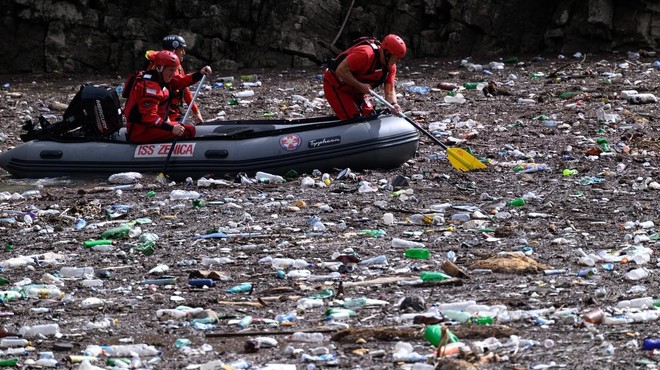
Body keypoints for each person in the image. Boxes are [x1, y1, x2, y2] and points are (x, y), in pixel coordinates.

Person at [124, 50, 212, 144]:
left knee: (185, 125)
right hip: (142, 132)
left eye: (174, 70)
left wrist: (200, 73)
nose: (173, 73)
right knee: (189, 130)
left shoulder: (162, 78)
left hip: (153, 126)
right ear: (160, 68)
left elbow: (181, 81)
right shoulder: (150, 87)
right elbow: (149, 117)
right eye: (171, 70)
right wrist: (171, 128)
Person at [323, 34, 406, 120]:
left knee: (369, 115)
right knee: (353, 117)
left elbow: (389, 89)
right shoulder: (365, 53)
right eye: (396, 58)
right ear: (387, 53)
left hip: (358, 90)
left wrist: (393, 104)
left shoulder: (390, 67)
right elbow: (340, 70)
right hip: (336, 85)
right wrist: (360, 85)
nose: (397, 61)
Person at [145, 35, 205, 123]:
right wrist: (200, 74)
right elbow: (179, 81)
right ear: (173, 50)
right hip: (159, 112)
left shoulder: (178, 66)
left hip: (170, 110)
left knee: (187, 126)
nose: (184, 52)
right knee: (186, 128)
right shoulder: (159, 68)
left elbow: (185, 89)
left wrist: (196, 112)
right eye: (181, 49)